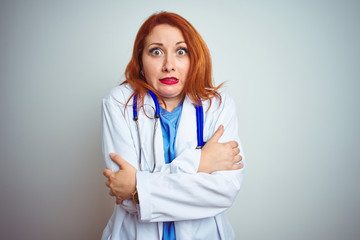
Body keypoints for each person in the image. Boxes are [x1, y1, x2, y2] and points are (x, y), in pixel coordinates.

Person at [102, 11, 245, 240]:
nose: (169, 65)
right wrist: (201, 162)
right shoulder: (119, 102)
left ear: (193, 58)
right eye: (156, 52)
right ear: (141, 60)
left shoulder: (218, 106)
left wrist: (139, 187)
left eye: (181, 51)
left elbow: (223, 191)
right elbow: (125, 196)